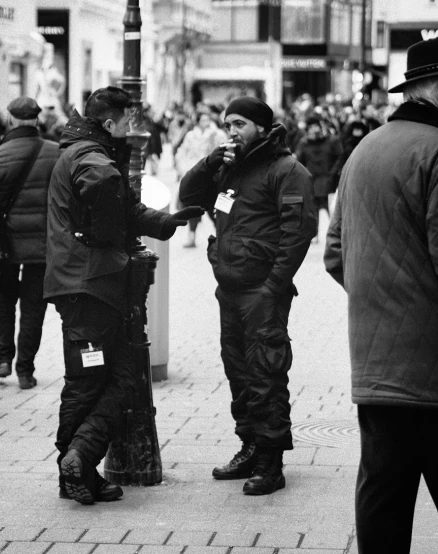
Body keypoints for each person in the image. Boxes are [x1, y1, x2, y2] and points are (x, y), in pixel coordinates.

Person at [323, 37, 438, 553]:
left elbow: (336, 253)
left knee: (383, 512)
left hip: (377, 373)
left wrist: (387, 297)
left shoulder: (365, 149)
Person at [44, 86, 203, 505]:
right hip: (90, 285)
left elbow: (125, 208)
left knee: (90, 378)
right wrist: (105, 234)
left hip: (82, 284)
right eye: (128, 122)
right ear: (110, 122)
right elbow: (104, 185)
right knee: (108, 378)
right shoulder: (91, 156)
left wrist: (165, 222)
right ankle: (78, 458)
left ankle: (76, 470)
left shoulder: (79, 148)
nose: (132, 131)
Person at [179, 96, 317, 496]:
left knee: (266, 373)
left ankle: (271, 461)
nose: (232, 131)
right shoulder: (229, 170)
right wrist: (209, 162)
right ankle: (250, 445)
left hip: (263, 293)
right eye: (227, 125)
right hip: (230, 289)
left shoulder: (288, 170)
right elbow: (188, 195)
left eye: (239, 123)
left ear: (260, 125)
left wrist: (274, 284)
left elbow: (298, 233)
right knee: (238, 372)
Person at [0, 97, 60, 390]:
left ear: (10, 119)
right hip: (43, 244)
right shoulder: (56, 153)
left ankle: (3, 358)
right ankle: (25, 369)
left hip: (6, 242)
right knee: (34, 305)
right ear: (36, 120)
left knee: (5, 297)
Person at [174, 111, 227, 248]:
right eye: (202, 119)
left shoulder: (217, 134)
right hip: (195, 174)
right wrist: (183, 169)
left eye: (207, 119)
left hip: (213, 176)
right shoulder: (191, 135)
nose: (205, 122)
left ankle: (221, 236)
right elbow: (181, 152)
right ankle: (191, 237)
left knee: (215, 207)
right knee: (193, 207)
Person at [295, 116, 342, 241]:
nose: (314, 130)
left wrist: (334, 172)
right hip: (312, 179)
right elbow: (299, 161)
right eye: (311, 127)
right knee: (313, 209)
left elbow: (340, 157)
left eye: (316, 126)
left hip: (329, 179)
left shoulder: (331, 141)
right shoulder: (304, 143)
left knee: (331, 208)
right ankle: (314, 234)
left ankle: (336, 233)